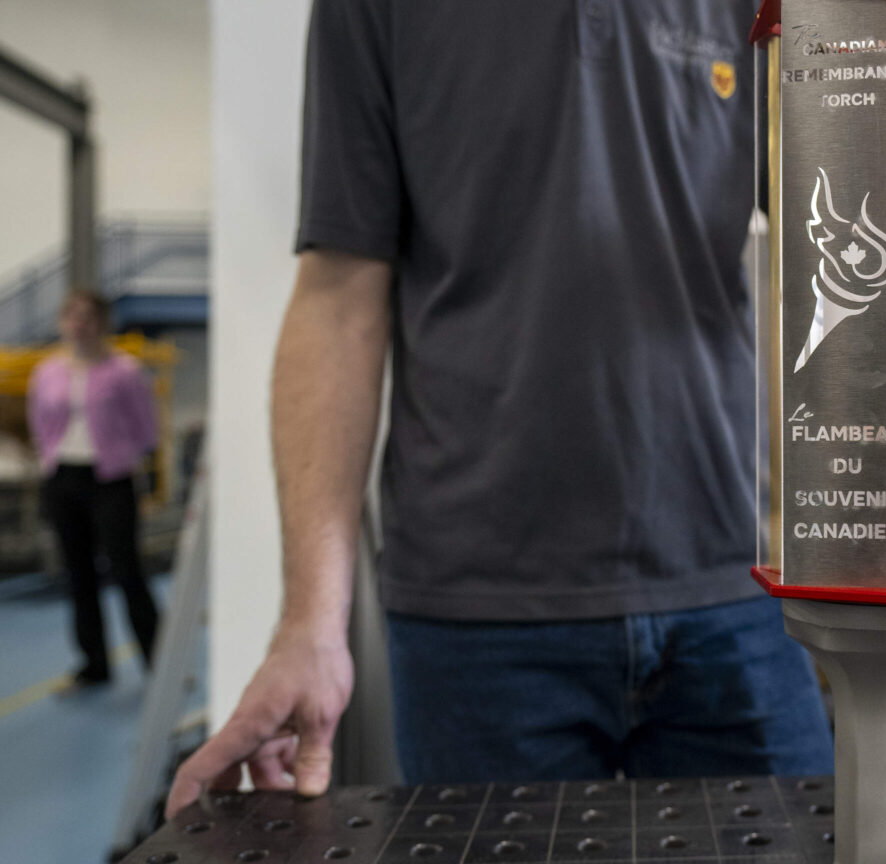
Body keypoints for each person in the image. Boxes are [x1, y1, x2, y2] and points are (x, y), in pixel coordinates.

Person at [166, 0, 831, 813]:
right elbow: (338, 297)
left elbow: (847, 206)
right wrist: (309, 622)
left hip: (730, 582)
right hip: (475, 621)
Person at [26, 291, 161, 687]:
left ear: (102, 322)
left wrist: (132, 459)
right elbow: (38, 421)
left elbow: (146, 427)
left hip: (111, 479)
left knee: (127, 569)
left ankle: (158, 662)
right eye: (72, 316)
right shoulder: (47, 371)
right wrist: (48, 459)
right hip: (63, 478)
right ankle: (94, 664)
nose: (79, 324)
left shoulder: (125, 371)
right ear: (62, 323)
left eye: (87, 317)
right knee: (78, 573)